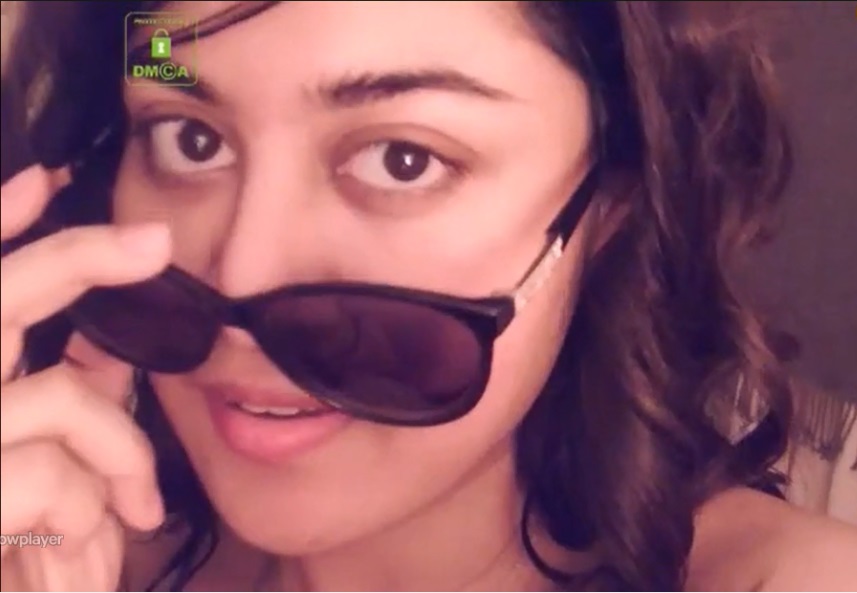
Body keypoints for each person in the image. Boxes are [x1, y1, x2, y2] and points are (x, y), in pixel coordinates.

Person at [1, 2, 855, 591]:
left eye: (401, 160)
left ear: (605, 213)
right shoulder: (70, 550)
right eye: (189, 139)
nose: (242, 276)